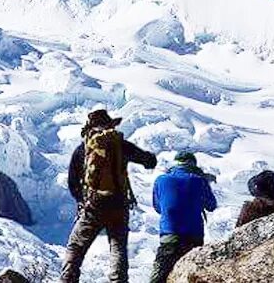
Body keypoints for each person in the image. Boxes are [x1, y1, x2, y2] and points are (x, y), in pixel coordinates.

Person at [60, 109, 157, 283]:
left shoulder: (82, 149)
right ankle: (118, 280)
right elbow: (150, 162)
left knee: (76, 246)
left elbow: (73, 183)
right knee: (118, 246)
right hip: (119, 203)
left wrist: (83, 201)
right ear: (109, 125)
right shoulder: (120, 145)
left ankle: (67, 279)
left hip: (93, 205)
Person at [149, 151, 218, 283]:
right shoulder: (199, 180)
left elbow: (158, 208)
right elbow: (211, 205)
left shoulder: (161, 180)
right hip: (194, 236)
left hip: (169, 235)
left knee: (159, 276)